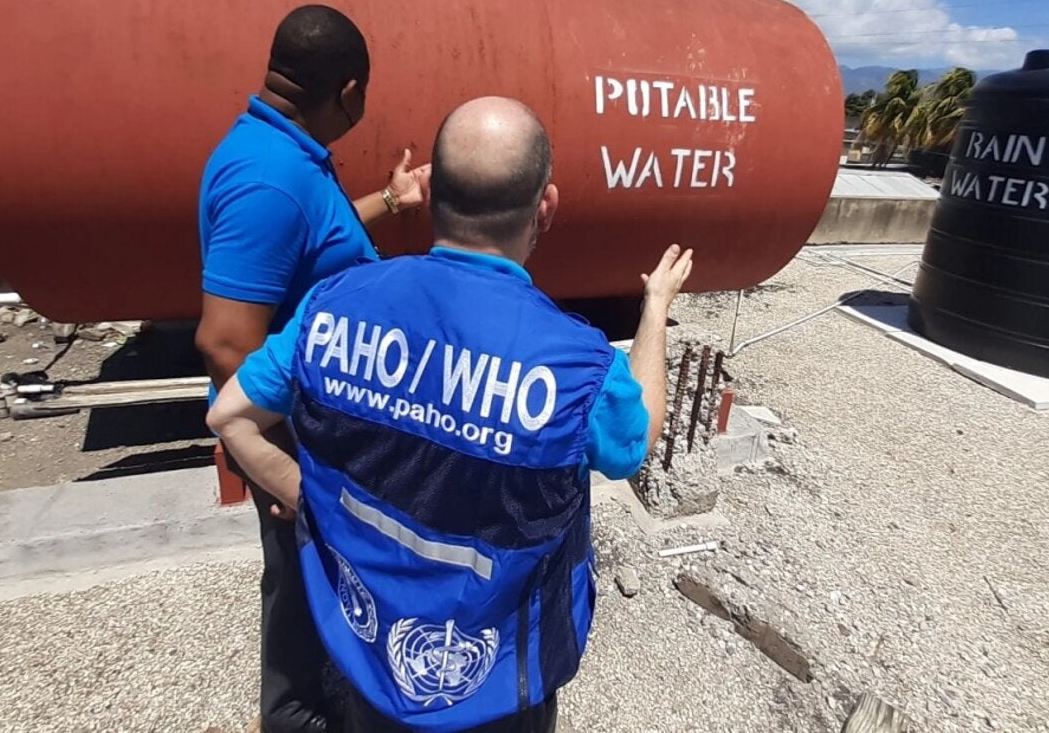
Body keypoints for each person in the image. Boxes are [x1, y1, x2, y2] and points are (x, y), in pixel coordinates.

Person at [207, 96, 693, 732]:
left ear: (431, 195)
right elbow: (636, 443)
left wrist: (309, 495)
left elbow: (230, 417)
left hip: (368, 660)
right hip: (501, 687)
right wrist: (654, 309)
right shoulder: (580, 365)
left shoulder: (331, 304)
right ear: (544, 205)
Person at [197, 4, 430, 733]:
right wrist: (289, 460)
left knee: (320, 579)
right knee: (297, 590)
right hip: (299, 445)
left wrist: (390, 202)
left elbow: (316, 242)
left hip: (313, 433)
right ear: (350, 90)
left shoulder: (288, 155)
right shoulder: (268, 179)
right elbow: (226, 343)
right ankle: (294, 717)